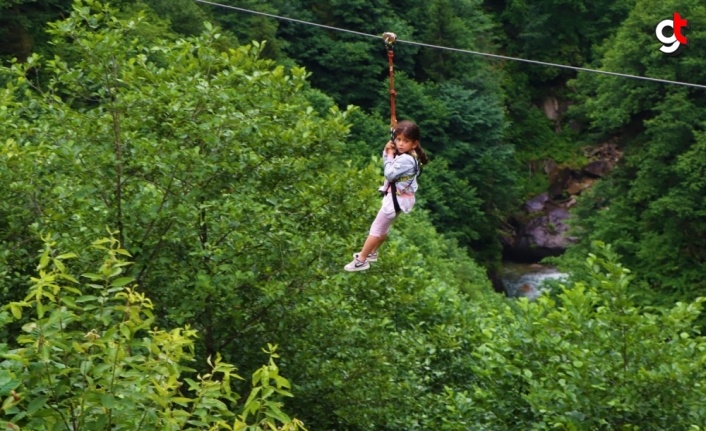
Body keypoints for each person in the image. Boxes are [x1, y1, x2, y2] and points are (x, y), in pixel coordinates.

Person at [344, 120, 429, 272]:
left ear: (414, 144)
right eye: (398, 139)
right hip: (402, 199)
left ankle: (361, 260)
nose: (401, 144)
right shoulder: (411, 155)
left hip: (395, 200)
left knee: (376, 228)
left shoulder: (405, 159)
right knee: (384, 228)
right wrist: (387, 151)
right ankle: (373, 252)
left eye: (405, 141)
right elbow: (392, 165)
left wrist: (389, 154)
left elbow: (389, 173)